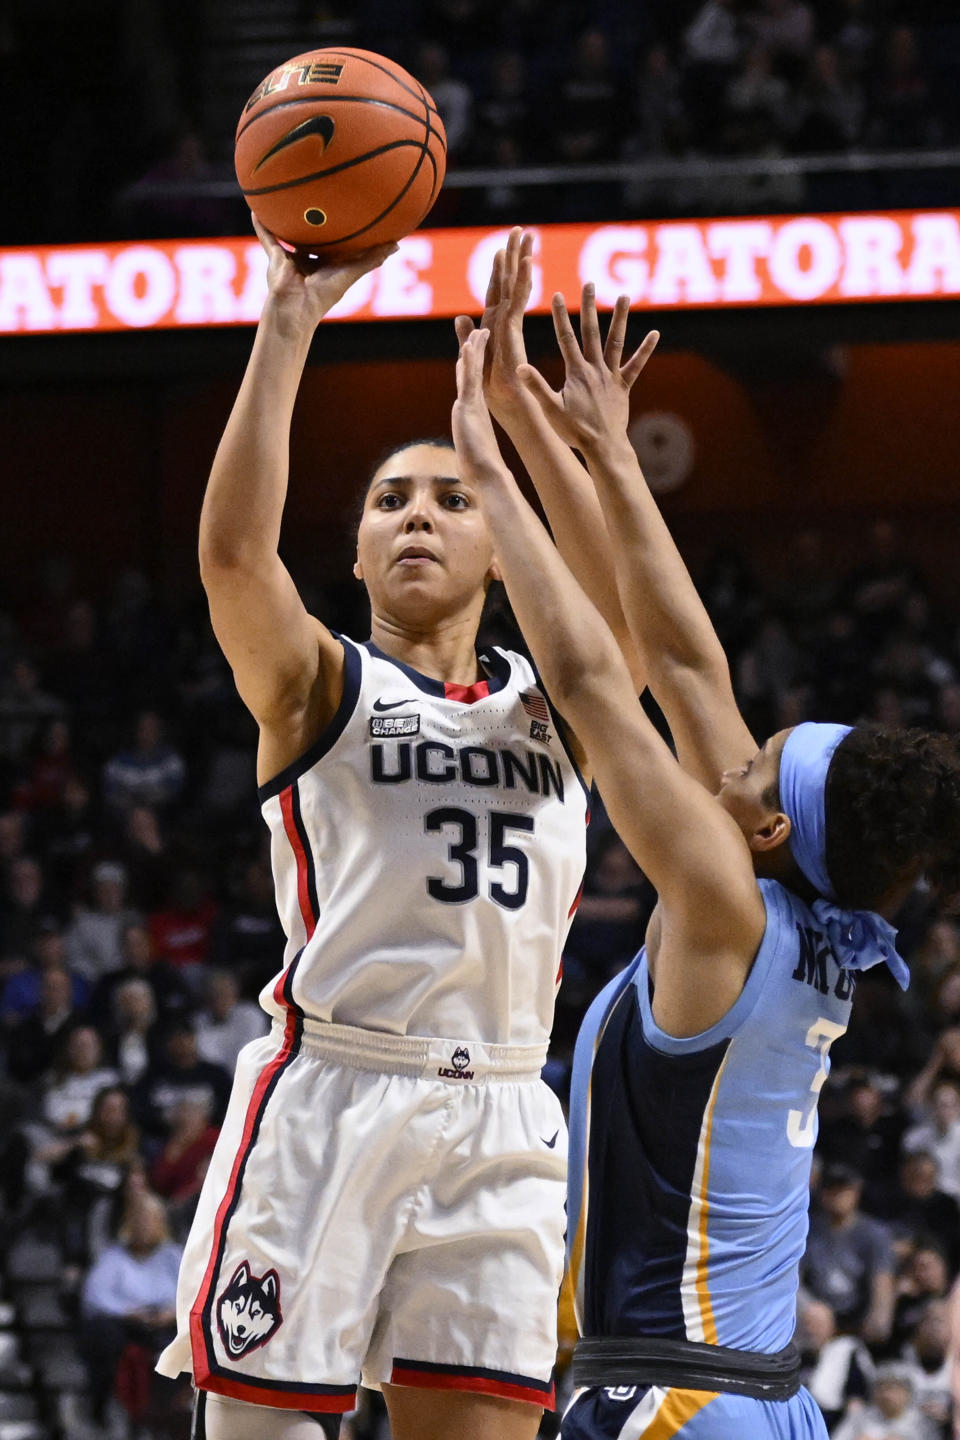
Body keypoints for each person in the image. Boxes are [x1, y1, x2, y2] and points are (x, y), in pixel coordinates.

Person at [448, 271, 960, 1440]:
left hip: (679, 1399)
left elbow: (590, 683)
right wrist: (574, 433)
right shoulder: (803, 900)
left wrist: (488, 470)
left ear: (769, 828)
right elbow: (681, 662)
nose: (726, 761)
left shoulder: (728, 907)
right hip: (758, 1395)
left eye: (751, 766)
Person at [157, 223, 621, 1440]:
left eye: (452, 499)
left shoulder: (565, 703)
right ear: (357, 553)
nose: (418, 515)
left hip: (508, 1112)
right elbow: (230, 556)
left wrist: (516, 435)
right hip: (335, 1094)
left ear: (503, 548)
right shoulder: (323, 683)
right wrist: (288, 322)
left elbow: (633, 622)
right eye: (388, 500)